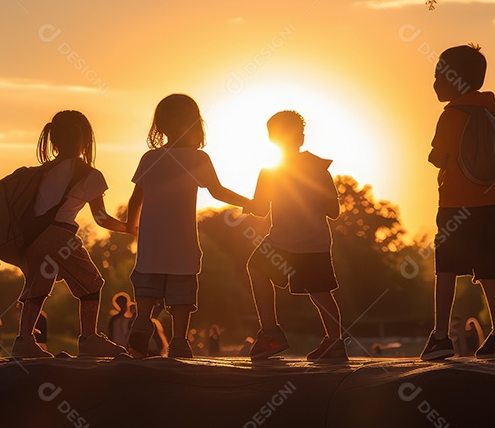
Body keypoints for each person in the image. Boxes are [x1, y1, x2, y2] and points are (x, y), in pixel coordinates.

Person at [126, 94, 251, 358]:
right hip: (181, 240)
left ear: (160, 126)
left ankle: (142, 320)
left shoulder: (150, 158)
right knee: (181, 290)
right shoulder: (198, 159)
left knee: (148, 285)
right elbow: (218, 192)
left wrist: (131, 225)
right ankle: (180, 341)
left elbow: (136, 198)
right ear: (195, 123)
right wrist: (249, 202)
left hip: (152, 240)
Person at [420, 44, 495, 361]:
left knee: (447, 269)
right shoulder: (494, 111)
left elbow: (440, 157)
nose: (434, 82)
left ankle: (440, 337)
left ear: (452, 78)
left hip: (457, 203)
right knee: (491, 273)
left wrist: (435, 156)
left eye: (438, 75)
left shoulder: (452, 115)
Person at [11, 111, 132, 359]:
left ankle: (24, 340)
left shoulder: (40, 172)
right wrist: (129, 228)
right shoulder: (89, 174)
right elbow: (101, 218)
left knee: (37, 287)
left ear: (54, 141)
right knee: (91, 282)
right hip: (60, 236)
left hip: (32, 238)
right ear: (84, 141)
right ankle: (89, 339)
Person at [245, 111, 346, 361]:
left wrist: (243, 203)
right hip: (316, 243)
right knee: (321, 292)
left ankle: (270, 333)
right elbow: (334, 211)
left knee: (256, 269)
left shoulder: (269, 172)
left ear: (271, 139)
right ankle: (335, 343)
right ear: (301, 138)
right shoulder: (319, 169)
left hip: (283, 243)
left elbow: (258, 209)